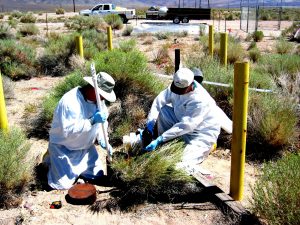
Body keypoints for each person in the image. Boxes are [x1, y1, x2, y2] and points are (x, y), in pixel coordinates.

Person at [43, 72, 116, 190]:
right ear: (93, 88)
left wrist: (104, 140)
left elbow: (102, 124)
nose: (102, 98)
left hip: (86, 150)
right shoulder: (69, 101)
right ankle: (49, 161)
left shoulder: (99, 101)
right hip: (64, 149)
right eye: (102, 95)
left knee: (98, 177)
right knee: (61, 186)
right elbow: (69, 132)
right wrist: (92, 120)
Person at [144, 67, 222, 173]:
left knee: (181, 162)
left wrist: (161, 138)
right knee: (164, 111)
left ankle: (209, 147)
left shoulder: (199, 100)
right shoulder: (177, 84)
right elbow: (159, 101)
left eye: (181, 91)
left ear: (190, 85)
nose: (177, 92)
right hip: (181, 121)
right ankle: (163, 144)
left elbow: (187, 125)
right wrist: (150, 124)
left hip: (201, 133)